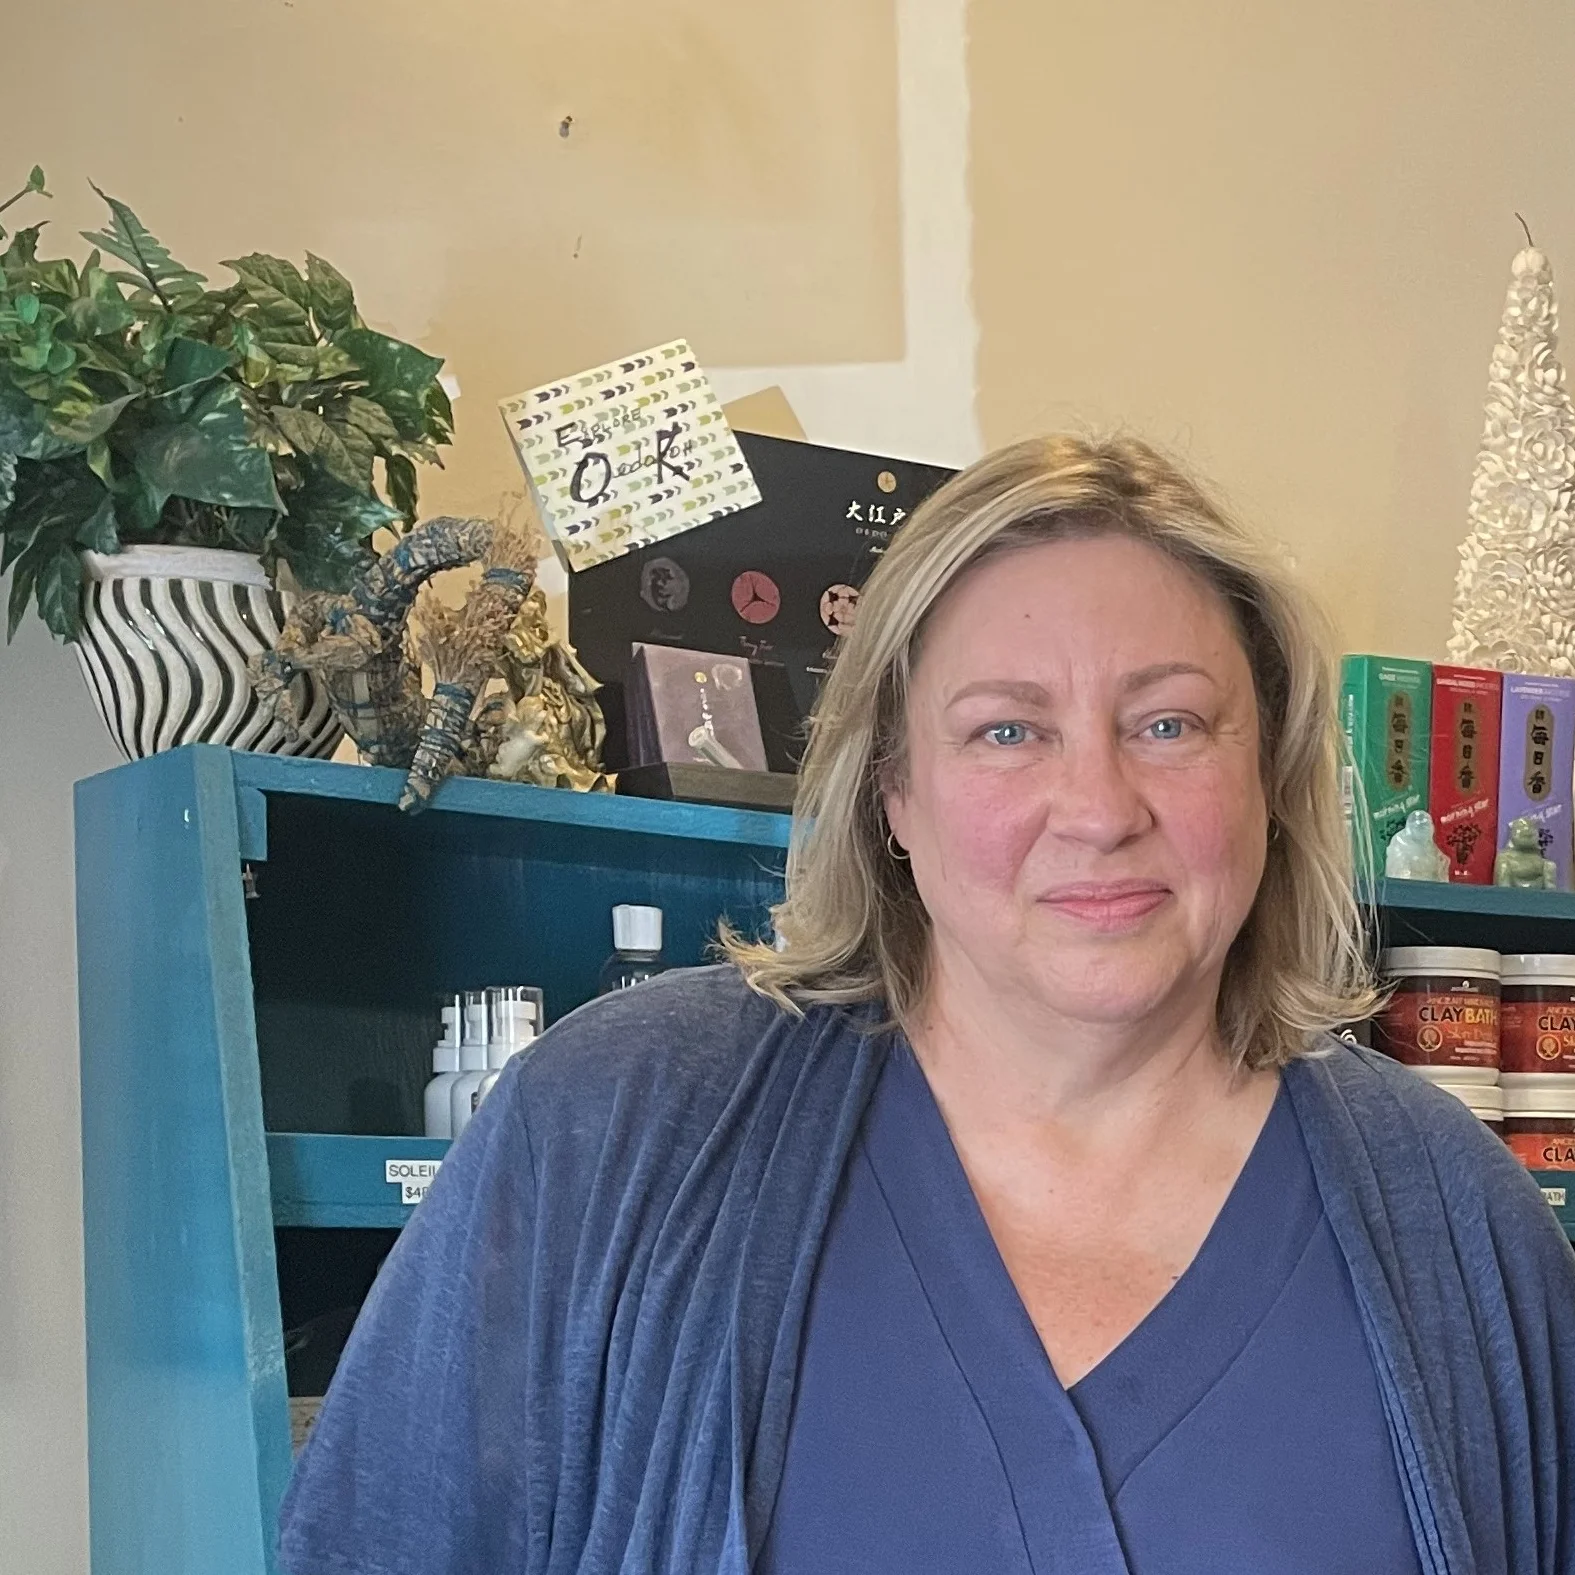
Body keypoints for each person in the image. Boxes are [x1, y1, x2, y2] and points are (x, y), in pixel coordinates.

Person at [279, 435, 1575, 1575]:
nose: (1100, 805)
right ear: (891, 789)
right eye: (1006, 731)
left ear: (1267, 769)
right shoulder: (612, 1132)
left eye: (1170, 723)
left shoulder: (1459, 1229)